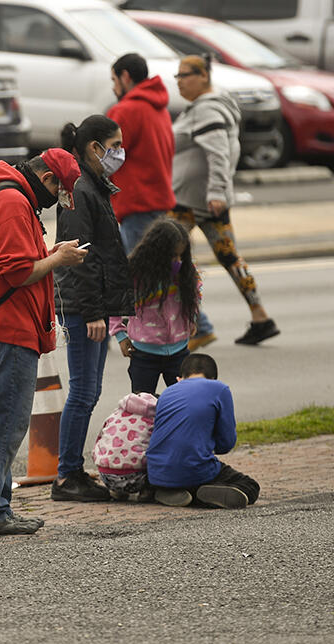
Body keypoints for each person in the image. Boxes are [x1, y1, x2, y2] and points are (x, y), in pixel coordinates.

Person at [0, 149, 87, 535]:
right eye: (58, 191)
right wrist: (58, 259)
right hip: (10, 329)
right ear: (48, 178)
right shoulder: (13, 202)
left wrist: (49, 254)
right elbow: (16, 272)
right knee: (4, 423)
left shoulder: (5, 194)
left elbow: (15, 261)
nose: (55, 201)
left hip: (5, 328)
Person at [50, 115, 134, 503]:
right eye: (114, 145)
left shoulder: (92, 186)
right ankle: (67, 476)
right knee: (83, 392)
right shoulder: (81, 189)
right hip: (85, 308)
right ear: (94, 148)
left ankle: (71, 471)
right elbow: (78, 256)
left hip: (93, 305)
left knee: (89, 390)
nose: (120, 152)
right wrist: (95, 312)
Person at [170, 55, 278, 348]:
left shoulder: (208, 110)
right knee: (229, 257)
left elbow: (219, 153)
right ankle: (260, 316)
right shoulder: (204, 107)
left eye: (184, 75)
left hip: (194, 203)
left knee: (167, 259)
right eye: (177, 76)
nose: (178, 81)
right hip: (201, 201)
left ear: (204, 76)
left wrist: (217, 190)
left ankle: (194, 327)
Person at [144, 354, 258, 509]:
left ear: (181, 377)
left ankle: (168, 491)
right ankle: (198, 495)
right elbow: (226, 443)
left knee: (185, 471)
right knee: (250, 486)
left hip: (156, 472)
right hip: (195, 469)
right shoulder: (219, 389)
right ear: (213, 378)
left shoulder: (167, 393)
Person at [110, 219, 200, 395]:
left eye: (181, 256)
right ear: (157, 253)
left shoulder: (185, 271)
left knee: (184, 401)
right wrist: (120, 335)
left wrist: (192, 319)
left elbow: (195, 296)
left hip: (179, 352)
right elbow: (115, 303)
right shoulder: (135, 273)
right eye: (173, 256)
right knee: (141, 403)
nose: (178, 261)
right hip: (144, 354)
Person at [106, 52, 176, 255]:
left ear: (125, 77)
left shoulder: (126, 110)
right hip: (160, 202)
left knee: (134, 276)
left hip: (137, 204)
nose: (113, 87)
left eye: (114, 79)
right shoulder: (159, 107)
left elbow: (105, 158)